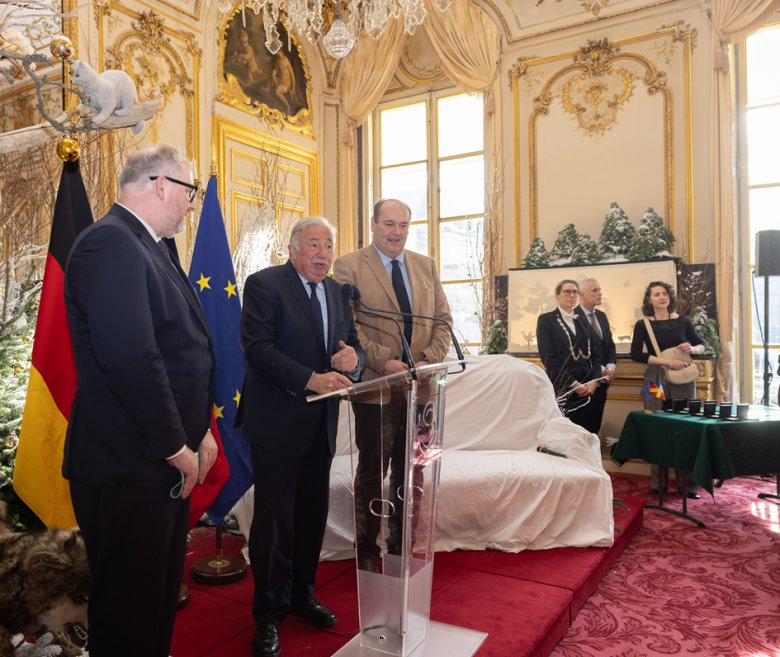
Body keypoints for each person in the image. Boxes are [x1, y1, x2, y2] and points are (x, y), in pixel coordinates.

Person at [63, 145, 217, 657]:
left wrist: (200, 431)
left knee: (155, 604)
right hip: (129, 466)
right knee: (129, 613)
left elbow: (181, 351)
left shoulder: (150, 246)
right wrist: (177, 444)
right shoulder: (110, 243)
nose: (192, 204)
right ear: (160, 185)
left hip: (159, 465)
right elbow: (130, 358)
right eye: (190, 192)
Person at [238, 216, 364, 657]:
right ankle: (268, 615)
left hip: (321, 427)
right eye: (315, 244)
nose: (324, 253)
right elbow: (258, 349)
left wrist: (356, 357)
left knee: (312, 515)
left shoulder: (336, 292)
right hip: (277, 423)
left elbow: (351, 345)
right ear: (294, 249)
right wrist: (311, 379)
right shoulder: (264, 285)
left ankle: (301, 597)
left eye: (329, 245)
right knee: (275, 522)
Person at [332, 198, 453, 573]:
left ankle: (402, 547)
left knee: (414, 470)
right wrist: (387, 363)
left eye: (403, 225)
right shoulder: (349, 266)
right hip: (376, 389)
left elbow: (444, 320)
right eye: (389, 224)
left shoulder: (426, 266)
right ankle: (368, 551)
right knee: (373, 470)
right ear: (373, 224)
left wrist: (428, 360)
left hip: (424, 388)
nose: (396, 232)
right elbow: (348, 327)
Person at [630, 280, 706, 498]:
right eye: (656, 294)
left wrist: (692, 348)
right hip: (654, 380)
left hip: (683, 378)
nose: (662, 297)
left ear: (670, 297)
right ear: (649, 299)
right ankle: (658, 483)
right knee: (655, 425)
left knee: (685, 426)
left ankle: (688, 485)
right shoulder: (643, 324)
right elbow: (636, 354)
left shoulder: (683, 321)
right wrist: (666, 363)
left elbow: (703, 345)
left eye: (664, 293)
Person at [536, 279, 603, 432]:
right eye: (567, 291)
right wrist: (574, 384)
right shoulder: (546, 320)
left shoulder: (584, 320)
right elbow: (548, 358)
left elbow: (597, 356)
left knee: (586, 430)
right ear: (557, 295)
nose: (571, 295)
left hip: (587, 388)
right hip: (563, 386)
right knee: (565, 432)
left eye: (574, 292)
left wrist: (595, 381)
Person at [576, 277, 616, 434]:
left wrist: (611, 367)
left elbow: (610, 345)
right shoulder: (573, 317)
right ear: (581, 294)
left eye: (599, 290)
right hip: (584, 383)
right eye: (594, 290)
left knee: (595, 426)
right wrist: (600, 370)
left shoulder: (601, 316)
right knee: (581, 428)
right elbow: (578, 351)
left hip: (602, 383)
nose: (599, 293)